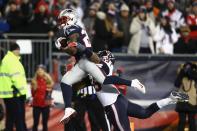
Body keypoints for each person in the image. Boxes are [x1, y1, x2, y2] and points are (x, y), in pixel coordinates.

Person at [55, 8, 146, 124]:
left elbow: (74, 45)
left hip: (86, 60)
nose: (62, 22)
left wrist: (65, 47)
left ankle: (133, 82)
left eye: (64, 19)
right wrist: (64, 48)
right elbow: (73, 50)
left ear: (71, 18)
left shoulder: (72, 28)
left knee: (104, 80)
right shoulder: (71, 29)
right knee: (65, 81)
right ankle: (68, 108)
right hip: (81, 61)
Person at [67, 50, 189, 131]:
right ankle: (170, 99)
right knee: (144, 113)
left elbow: (105, 78)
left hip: (113, 106)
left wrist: (131, 83)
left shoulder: (99, 66)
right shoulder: (100, 67)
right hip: (120, 101)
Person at [0, 43, 27, 131]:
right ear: (16, 50)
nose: (19, 52)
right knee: (18, 119)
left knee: (10, 118)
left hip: (9, 94)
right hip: (15, 94)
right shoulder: (12, 60)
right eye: (19, 50)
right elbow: (16, 78)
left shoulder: (7, 59)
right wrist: (23, 93)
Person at [30, 64, 54, 131]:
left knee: (45, 123)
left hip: (45, 105)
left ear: (44, 71)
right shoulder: (34, 81)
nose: (40, 71)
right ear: (36, 71)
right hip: (36, 104)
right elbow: (32, 94)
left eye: (41, 69)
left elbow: (50, 93)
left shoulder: (48, 80)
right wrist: (34, 88)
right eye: (38, 69)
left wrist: (50, 89)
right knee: (35, 123)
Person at [174, 62, 197, 131]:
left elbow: (193, 75)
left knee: (192, 121)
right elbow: (176, 84)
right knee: (182, 121)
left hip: (193, 99)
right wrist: (183, 70)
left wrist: (189, 70)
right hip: (182, 98)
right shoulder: (181, 72)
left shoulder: (195, 72)